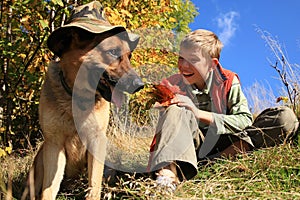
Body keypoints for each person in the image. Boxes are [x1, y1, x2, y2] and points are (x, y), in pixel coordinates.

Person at [147, 29, 299, 190]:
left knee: (285, 117)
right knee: (176, 110)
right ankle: (167, 178)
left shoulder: (227, 80)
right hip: (190, 145)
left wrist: (199, 113)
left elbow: (244, 120)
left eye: (193, 60)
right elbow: (164, 128)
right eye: (181, 58)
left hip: (227, 143)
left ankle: (215, 162)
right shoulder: (172, 84)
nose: (184, 65)